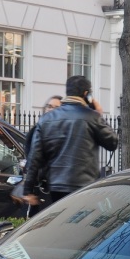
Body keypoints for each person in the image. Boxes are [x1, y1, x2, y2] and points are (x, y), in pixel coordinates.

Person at [22, 75, 118, 208]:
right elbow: (112, 142)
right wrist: (99, 114)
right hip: (84, 185)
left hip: (56, 185)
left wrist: (28, 190)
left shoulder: (46, 119)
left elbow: (35, 156)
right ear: (86, 94)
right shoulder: (92, 116)